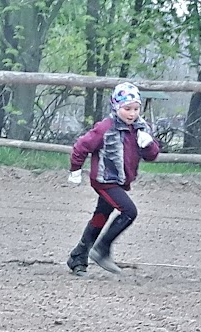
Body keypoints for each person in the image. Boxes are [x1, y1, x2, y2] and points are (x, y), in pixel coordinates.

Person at [66, 82, 160, 276]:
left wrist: (148, 144)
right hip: (104, 180)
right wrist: (75, 169)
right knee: (129, 211)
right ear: (116, 107)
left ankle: (78, 257)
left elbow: (152, 156)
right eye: (127, 109)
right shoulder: (105, 128)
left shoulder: (140, 128)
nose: (132, 114)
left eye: (135, 109)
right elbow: (82, 146)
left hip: (119, 181)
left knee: (101, 215)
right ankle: (101, 249)